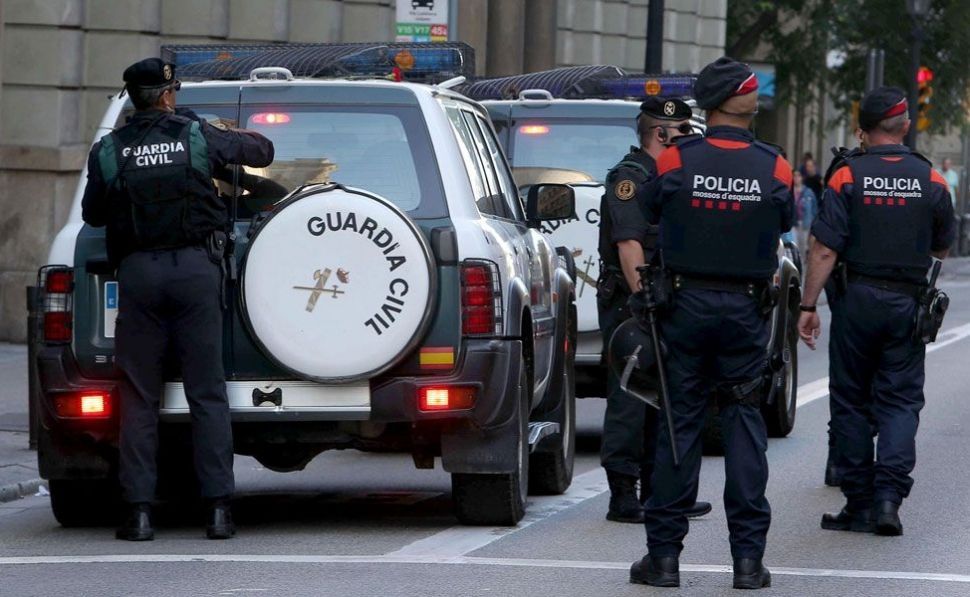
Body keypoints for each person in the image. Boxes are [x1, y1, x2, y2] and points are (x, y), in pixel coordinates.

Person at [81, 58, 275, 541]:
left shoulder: (109, 149)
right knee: (206, 392)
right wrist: (208, 132)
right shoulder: (194, 136)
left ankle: (140, 514)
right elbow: (263, 151)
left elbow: (94, 213)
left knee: (140, 397)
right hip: (194, 272)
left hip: (140, 275)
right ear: (168, 95)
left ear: (131, 98)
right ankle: (218, 513)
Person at [629, 57, 793, 590]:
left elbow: (651, 210)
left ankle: (665, 558)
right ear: (747, 104)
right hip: (745, 311)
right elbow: (786, 219)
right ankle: (748, 561)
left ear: (709, 105)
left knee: (680, 426)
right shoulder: (776, 166)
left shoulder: (676, 159)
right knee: (745, 424)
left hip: (684, 307)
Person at [798, 86, 954, 537]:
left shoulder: (846, 175)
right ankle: (889, 500)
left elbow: (825, 248)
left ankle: (859, 503)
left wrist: (808, 304)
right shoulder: (931, 178)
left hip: (857, 300)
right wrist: (925, 285)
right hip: (906, 301)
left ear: (863, 130)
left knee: (850, 401)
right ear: (905, 125)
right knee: (901, 400)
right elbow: (943, 241)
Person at [597, 97, 712, 524]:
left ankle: (658, 490)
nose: (689, 139)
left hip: (666, 297)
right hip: (632, 301)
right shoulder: (630, 179)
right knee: (631, 393)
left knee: (664, 395)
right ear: (660, 133)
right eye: (683, 131)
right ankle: (623, 493)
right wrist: (643, 299)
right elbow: (629, 245)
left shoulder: (672, 176)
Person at [793, 169, 818, 252]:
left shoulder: (808, 192)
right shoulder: (790, 191)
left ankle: (803, 264)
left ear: (802, 178)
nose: (796, 178)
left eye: (798, 176)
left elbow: (814, 209)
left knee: (803, 246)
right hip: (793, 223)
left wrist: (813, 222)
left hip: (805, 223)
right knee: (794, 245)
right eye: (795, 176)